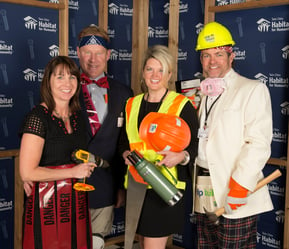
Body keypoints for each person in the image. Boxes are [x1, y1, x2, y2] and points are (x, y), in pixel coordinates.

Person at [193, 21, 273, 248]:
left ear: (231, 56)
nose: (212, 61)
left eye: (218, 54)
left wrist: (240, 186)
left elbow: (258, 143)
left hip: (235, 193)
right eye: (206, 55)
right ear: (201, 59)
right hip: (203, 190)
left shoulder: (252, 89)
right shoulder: (199, 92)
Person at [118, 45, 199, 249]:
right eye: (150, 69)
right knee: (144, 242)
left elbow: (196, 146)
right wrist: (125, 153)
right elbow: (122, 142)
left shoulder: (181, 105)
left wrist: (180, 157)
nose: (155, 75)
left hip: (164, 188)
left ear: (169, 74)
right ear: (143, 72)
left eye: (161, 70)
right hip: (137, 185)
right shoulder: (131, 104)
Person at [19, 56, 96, 249]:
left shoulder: (78, 115)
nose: (67, 83)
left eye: (72, 77)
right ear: (48, 81)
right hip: (47, 208)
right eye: (60, 77)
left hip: (75, 202)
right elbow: (28, 173)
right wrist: (73, 172)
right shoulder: (37, 118)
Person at [76, 24, 133, 249]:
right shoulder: (64, 88)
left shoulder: (124, 93)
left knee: (97, 243)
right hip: (68, 186)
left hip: (105, 186)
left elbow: (124, 143)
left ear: (108, 55)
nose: (93, 59)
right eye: (87, 52)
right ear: (78, 53)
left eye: (98, 52)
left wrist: (121, 186)